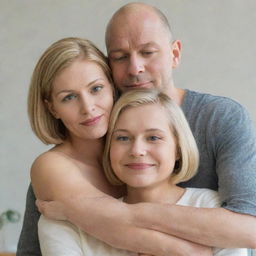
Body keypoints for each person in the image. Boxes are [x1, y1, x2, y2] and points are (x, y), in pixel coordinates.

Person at [17, 2, 256, 255]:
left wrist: (78, 211)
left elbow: (250, 229)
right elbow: (115, 227)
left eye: (148, 52)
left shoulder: (220, 118)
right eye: (120, 57)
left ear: (174, 54)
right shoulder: (71, 153)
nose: (135, 68)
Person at [21, 36, 212, 256]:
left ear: (112, 87)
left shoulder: (133, 158)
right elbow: (121, 225)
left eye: (96, 89)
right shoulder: (52, 166)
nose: (88, 107)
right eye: (69, 97)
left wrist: (69, 210)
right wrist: (191, 250)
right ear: (52, 108)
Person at [38, 89, 248, 256]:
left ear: (177, 148)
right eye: (122, 138)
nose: (137, 151)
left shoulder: (212, 207)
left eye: (153, 137)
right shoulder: (64, 222)